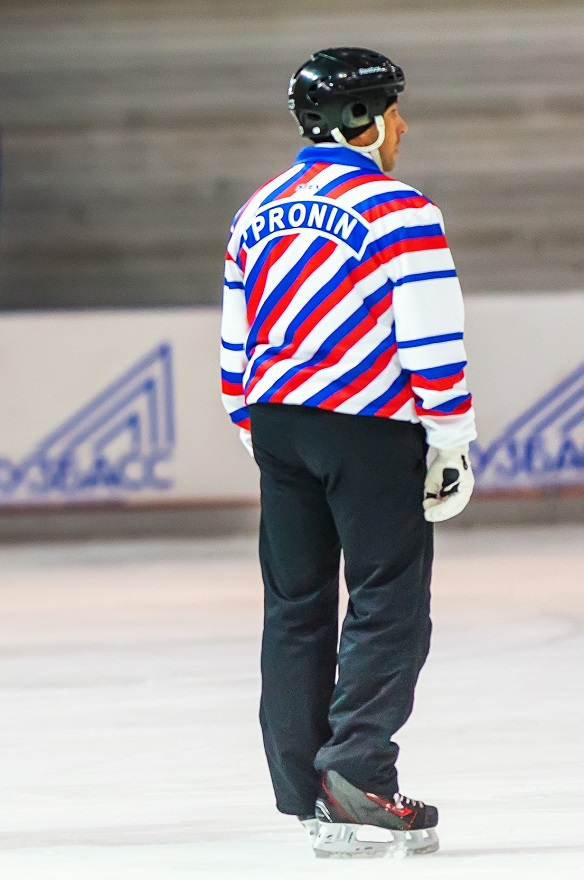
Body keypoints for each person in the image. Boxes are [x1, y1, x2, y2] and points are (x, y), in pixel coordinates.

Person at [220, 47, 476, 858]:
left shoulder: (257, 208)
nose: (403, 126)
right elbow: (434, 337)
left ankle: (306, 784)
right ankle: (358, 775)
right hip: (368, 422)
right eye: (394, 110)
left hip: (276, 419)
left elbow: (234, 337)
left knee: (294, 604)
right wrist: (451, 438)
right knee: (387, 599)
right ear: (366, 122)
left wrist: (252, 424)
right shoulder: (401, 211)